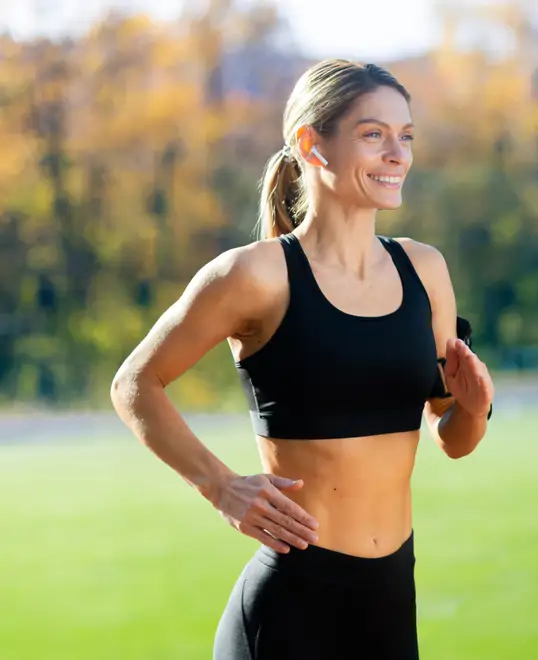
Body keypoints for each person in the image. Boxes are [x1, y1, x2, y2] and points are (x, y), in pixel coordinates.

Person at [109, 59, 495, 660]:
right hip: (290, 614)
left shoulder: (425, 270)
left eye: (407, 136)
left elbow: (453, 436)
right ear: (312, 144)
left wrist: (473, 409)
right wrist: (221, 487)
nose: (399, 154)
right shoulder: (256, 274)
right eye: (374, 134)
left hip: (390, 604)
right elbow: (135, 382)